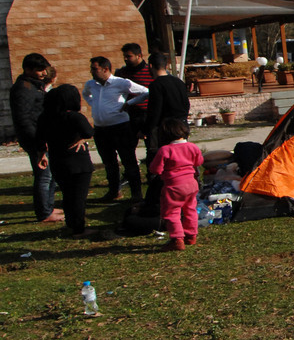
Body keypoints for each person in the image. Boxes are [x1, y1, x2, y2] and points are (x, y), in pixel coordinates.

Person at [83, 56, 148, 202]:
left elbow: (145, 91)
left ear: (105, 69)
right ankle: (114, 191)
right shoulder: (91, 84)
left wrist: (130, 102)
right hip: (101, 129)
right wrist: (94, 104)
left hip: (120, 128)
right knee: (109, 162)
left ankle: (136, 193)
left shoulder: (120, 83)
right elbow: (85, 94)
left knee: (128, 161)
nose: (92, 72)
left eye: (95, 69)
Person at [10, 53, 63, 223]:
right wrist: (39, 143)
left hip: (43, 137)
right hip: (36, 140)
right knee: (43, 175)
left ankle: (48, 206)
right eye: (39, 70)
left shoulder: (33, 86)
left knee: (50, 174)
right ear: (28, 70)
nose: (43, 73)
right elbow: (24, 119)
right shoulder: (23, 89)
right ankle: (44, 212)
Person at [36, 84, 93, 238]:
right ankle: (79, 229)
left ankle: (71, 223)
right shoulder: (74, 117)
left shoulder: (45, 118)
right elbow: (89, 131)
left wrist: (42, 154)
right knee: (79, 197)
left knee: (67, 195)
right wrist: (80, 138)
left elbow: (39, 138)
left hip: (57, 161)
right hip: (78, 162)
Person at [149, 117, 204, 251]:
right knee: (190, 209)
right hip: (191, 184)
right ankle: (191, 235)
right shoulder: (192, 147)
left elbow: (155, 169)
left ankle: (177, 239)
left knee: (172, 212)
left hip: (174, 185)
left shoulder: (165, 150)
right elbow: (199, 161)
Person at [144, 52, 190, 166]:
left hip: (165, 128)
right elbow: (186, 104)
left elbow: (155, 111)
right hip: (182, 124)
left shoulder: (156, 85)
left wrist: (146, 129)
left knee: (163, 159)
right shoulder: (178, 82)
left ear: (150, 66)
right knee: (182, 156)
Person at [115, 42, 154, 142]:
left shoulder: (150, 71)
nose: (125, 59)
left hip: (148, 113)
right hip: (129, 114)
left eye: (129, 56)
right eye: (124, 56)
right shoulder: (121, 73)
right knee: (127, 146)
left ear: (139, 56)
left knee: (151, 146)